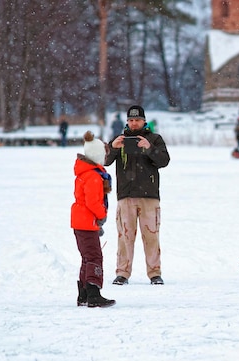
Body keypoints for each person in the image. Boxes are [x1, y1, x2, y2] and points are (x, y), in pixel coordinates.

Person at [105, 105, 170, 286]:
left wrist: (149, 148)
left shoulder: (155, 139)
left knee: (151, 235)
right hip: (125, 195)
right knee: (125, 236)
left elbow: (164, 161)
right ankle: (122, 273)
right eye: (131, 120)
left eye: (137, 120)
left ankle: (155, 273)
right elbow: (104, 161)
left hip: (149, 195)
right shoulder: (119, 139)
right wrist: (113, 147)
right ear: (127, 121)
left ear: (144, 121)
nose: (134, 124)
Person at [71, 131, 116, 307]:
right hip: (87, 222)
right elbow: (93, 202)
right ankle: (93, 293)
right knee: (95, 257)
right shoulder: (93, 176)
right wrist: (102, 216)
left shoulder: (85, 173)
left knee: (87, 258)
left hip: (80, 221)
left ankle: (83, 294)